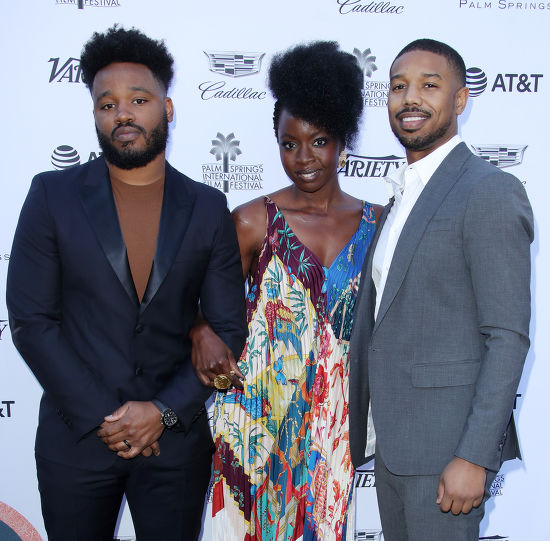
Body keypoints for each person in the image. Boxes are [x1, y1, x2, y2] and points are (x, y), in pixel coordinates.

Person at [6, 26, 246, 541]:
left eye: (138, 100)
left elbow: (227, 325)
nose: (123, 115)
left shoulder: (206, 206)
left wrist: (160, 412)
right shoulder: (52, 195)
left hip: (175, 442)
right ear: (94, 113)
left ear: (168, 107)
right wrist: (106, 418)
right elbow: (30, 321)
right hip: (77, 438)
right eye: (106, 104)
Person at [190, 41, 383, 540]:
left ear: (342, 140)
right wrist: (199, 329)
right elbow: (194, 300)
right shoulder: (254, 221)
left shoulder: (378, 224)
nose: (303, 159)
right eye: (289, 142)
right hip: (255, 416)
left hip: (333, 423)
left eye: (318, 141)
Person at [348, 38, 533, 541]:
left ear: (460, 99)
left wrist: (473, 455)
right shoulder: (399, 199)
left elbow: (507, 337)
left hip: (447, 455)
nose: (412, 98)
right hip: (393, 448)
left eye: (430, 86)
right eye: (399, 86)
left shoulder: (489, 190)